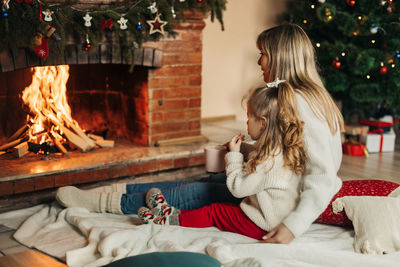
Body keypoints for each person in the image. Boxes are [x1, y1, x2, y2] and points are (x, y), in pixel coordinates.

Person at [56, 23, 400, 243]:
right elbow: (285, 152)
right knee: (201, 185)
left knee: (198, 192)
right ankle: (108, 194)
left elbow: (323, 176)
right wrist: (247, 150)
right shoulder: (292, 95)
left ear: (280, 58)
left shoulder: (301, 101)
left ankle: (102, 202)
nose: (258, 62)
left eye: (263, 55)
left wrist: (293, 226)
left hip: (275, 200)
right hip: (269, 184)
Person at [134, 80, 306, 240]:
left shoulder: (267, 161)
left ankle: (166, 222)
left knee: (214, 212)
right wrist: (240, 149)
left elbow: (238, 188)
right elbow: (257, 156)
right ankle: (174, 214)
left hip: (263, 225)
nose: (246, 122)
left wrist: (233, 156)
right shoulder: (279, 150)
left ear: (262, 123)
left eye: (248, 117)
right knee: (223, 205)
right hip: (276, 219)